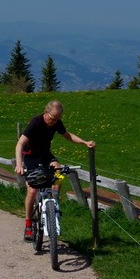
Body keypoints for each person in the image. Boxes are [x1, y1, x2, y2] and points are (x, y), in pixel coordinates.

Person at [14, 100, 95, 240]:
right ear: (46, 113)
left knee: (59, 170)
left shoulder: (56, 122)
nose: (53, 122)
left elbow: (67, 135)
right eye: (52, 119)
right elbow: (20, 144)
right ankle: (28, 223)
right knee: (32, 191)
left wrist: (84, 142)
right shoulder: (36, 122)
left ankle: (55, 197)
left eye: (57, 119)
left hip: (45, 155)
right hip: (31, 157)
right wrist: (19, 164)